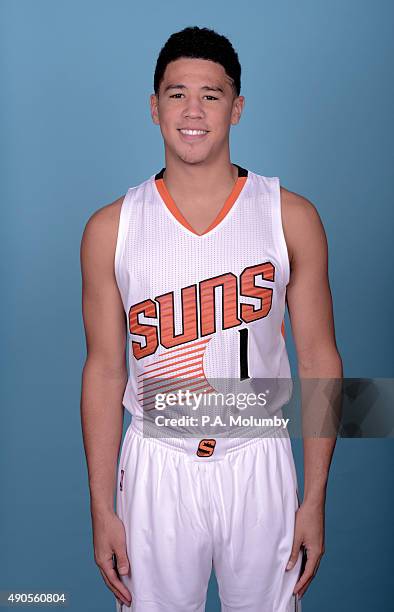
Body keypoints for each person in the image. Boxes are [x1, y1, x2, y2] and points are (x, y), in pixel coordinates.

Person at [80, 26, 342, 611]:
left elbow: (320, 360)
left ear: (237, 107)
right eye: (176, 94)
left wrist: (315, 498)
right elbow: (102, 372)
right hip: (156, 461)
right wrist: (101, 507)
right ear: (154, 108)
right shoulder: (109, 229)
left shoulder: (290, 216)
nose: (193, 110)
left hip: (258, 457)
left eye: (212, 94)